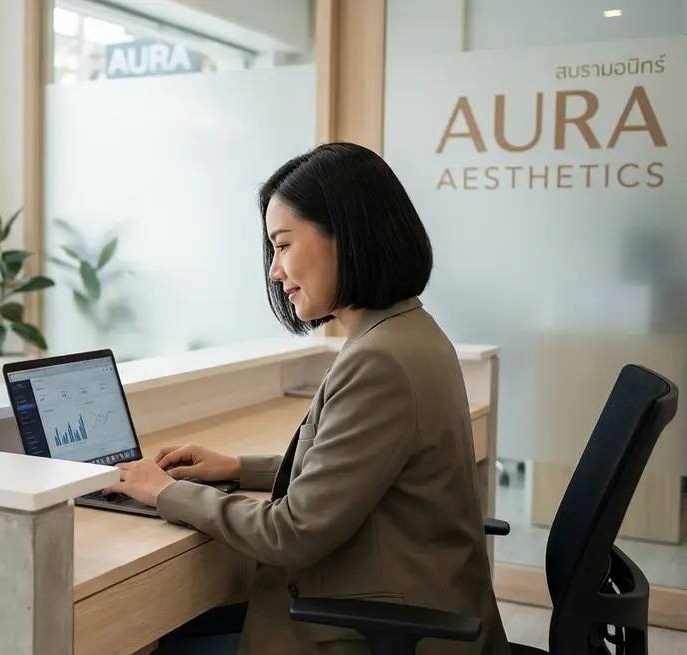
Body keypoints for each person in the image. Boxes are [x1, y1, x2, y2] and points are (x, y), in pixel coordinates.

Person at [105, 142, 510, 654]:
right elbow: (349, 470)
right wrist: (235, 467)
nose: (275, 270)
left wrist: (164, 492)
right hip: (416, 608)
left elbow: (291, 532)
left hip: (365, 631)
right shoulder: (412, 332)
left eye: (284, 244)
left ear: (347, 237)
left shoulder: (379, 361)